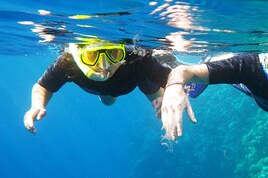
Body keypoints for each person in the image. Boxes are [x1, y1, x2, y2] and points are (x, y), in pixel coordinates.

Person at [23, 41, 172, 133]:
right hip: (104, 91)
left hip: (134, 78)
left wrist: (172, 95)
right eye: (92, 56)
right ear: (78, 56)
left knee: (157, 94)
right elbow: (43, 86)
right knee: (108, 101)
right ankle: (107, 93)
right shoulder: (68, 64)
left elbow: (174, 79)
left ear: (123, 51)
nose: (104, 66)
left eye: (113, 54)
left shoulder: (137, 59)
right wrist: (36, 105)